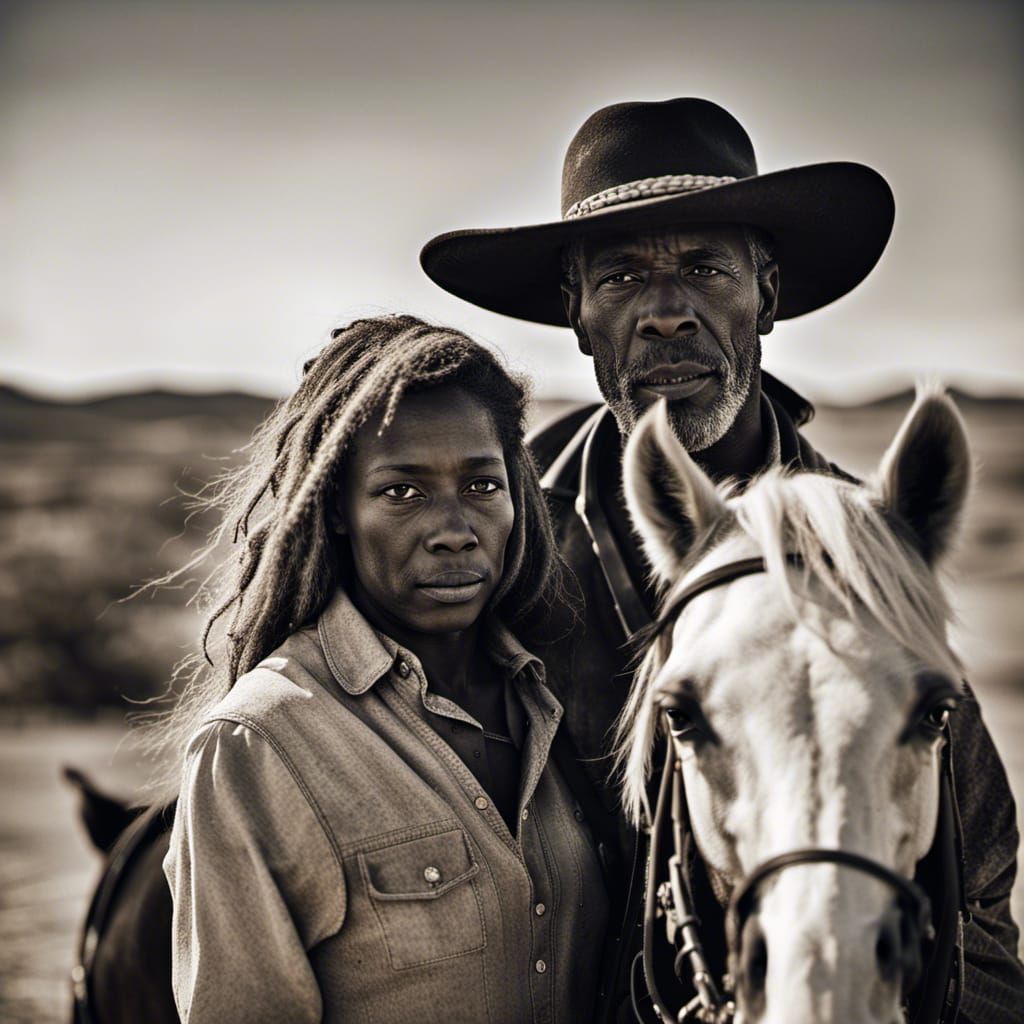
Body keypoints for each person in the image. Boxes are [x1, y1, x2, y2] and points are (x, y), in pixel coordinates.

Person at [421, 98, 1024, 1022]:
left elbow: (975, 898)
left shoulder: (866, 562)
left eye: (706, 269)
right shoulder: (496, 542)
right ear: (576, 316)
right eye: (621, 279)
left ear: (766, 295)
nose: (667, 314)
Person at [161, 314, 609, 1023]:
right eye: (403, 491)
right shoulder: (259, 745)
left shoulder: (564, 699)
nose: (454, 531)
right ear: (337, 506)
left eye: (482, 487)